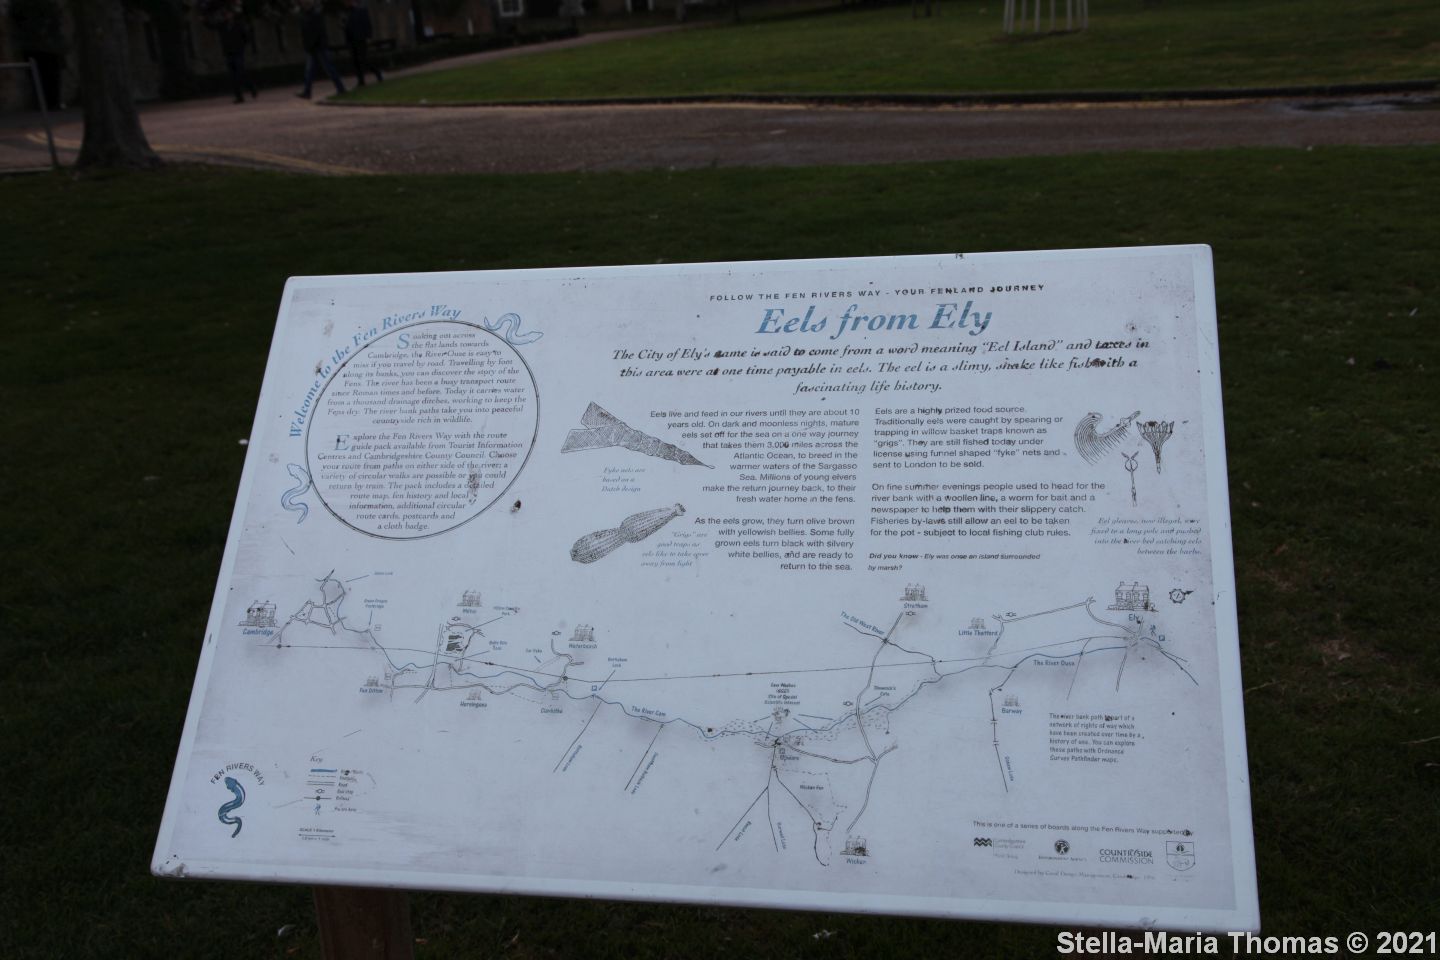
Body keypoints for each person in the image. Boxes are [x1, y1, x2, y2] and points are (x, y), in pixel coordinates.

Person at [297, 0, 346, 99]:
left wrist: (312, 44)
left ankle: (340, 88)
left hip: (319, 47)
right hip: (313, 47)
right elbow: (305, 33)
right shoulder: (305, 16)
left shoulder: (315, 15)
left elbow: (318, 32)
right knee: (310, 70)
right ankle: (307, 91)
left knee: (328, 68)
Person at [217, 7, 259, 103]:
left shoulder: (239, 24)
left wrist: (241, 45)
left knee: (240, 72)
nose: (227, 16)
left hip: (238, 52)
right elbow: (213, 26)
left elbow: (246, 36)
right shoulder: (223, 25)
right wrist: (203, 20)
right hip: (228, 52)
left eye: (229, 14)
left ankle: (251, 87)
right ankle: (239, 96)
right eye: (226, 14)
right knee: (232, 76)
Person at [344, 0, 383, 87]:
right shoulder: (348, 13)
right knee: (355, 61)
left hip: (360, 39)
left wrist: (368, 36)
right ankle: (361, 80)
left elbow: (367, 23)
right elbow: (348, 26)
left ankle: (377, 72)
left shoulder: (361, 10)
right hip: (351, 40)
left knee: (363, 60)